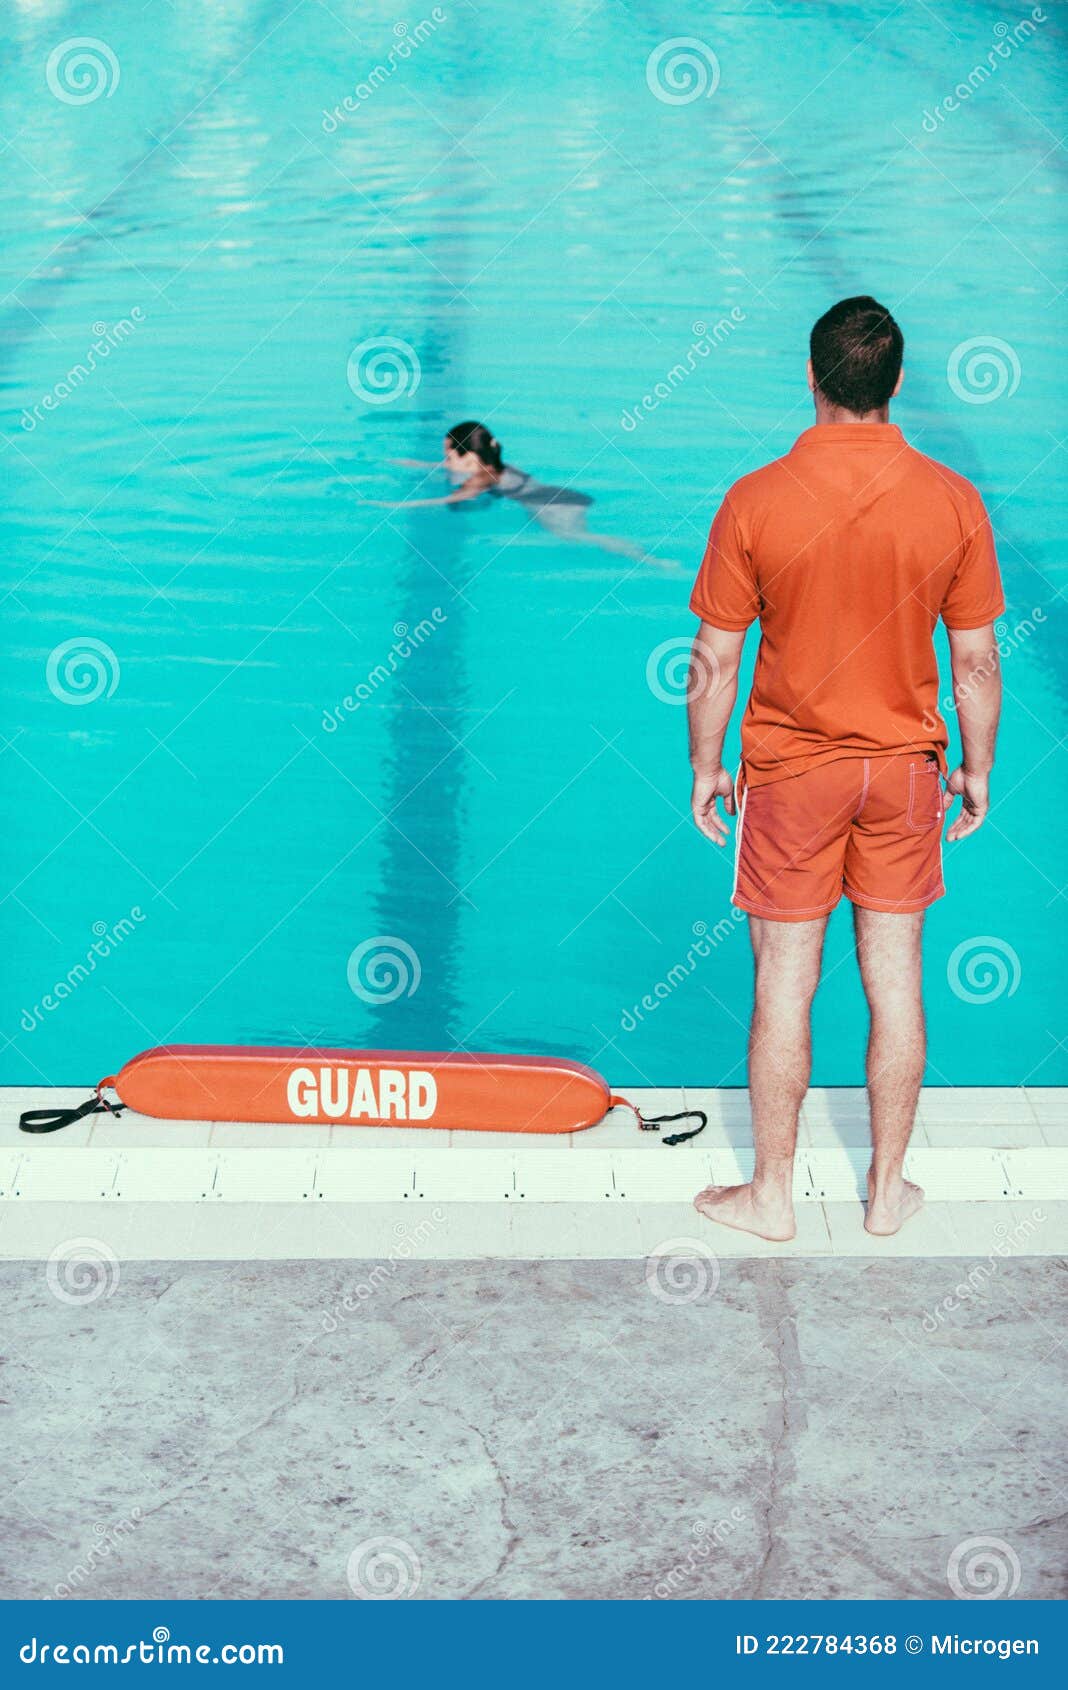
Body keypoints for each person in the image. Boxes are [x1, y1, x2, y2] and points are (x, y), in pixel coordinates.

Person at [687, 296, 1004, 1242]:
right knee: (895, 978)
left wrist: (706, 765)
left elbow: (713, 661)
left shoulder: (756, 498)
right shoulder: (951, 498)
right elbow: (978, 663)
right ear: (897, 383)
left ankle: (772, 1197)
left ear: (811, 378)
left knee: (785, 978)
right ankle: (885, 1194)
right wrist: (977, 768)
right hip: (906, 770)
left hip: (789, 775)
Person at [379, 421, 668, 563]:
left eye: (450, 456)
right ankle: (648, 556)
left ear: (471, 459)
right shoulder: (496, 466)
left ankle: (650, 560)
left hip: (549, 505)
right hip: (560, 495)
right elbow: (440, 468)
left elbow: (449, 499)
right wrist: (409, 464)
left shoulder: (482, 480)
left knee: (579, 537)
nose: (445, 462)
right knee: (581, 536)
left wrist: (392, 506)